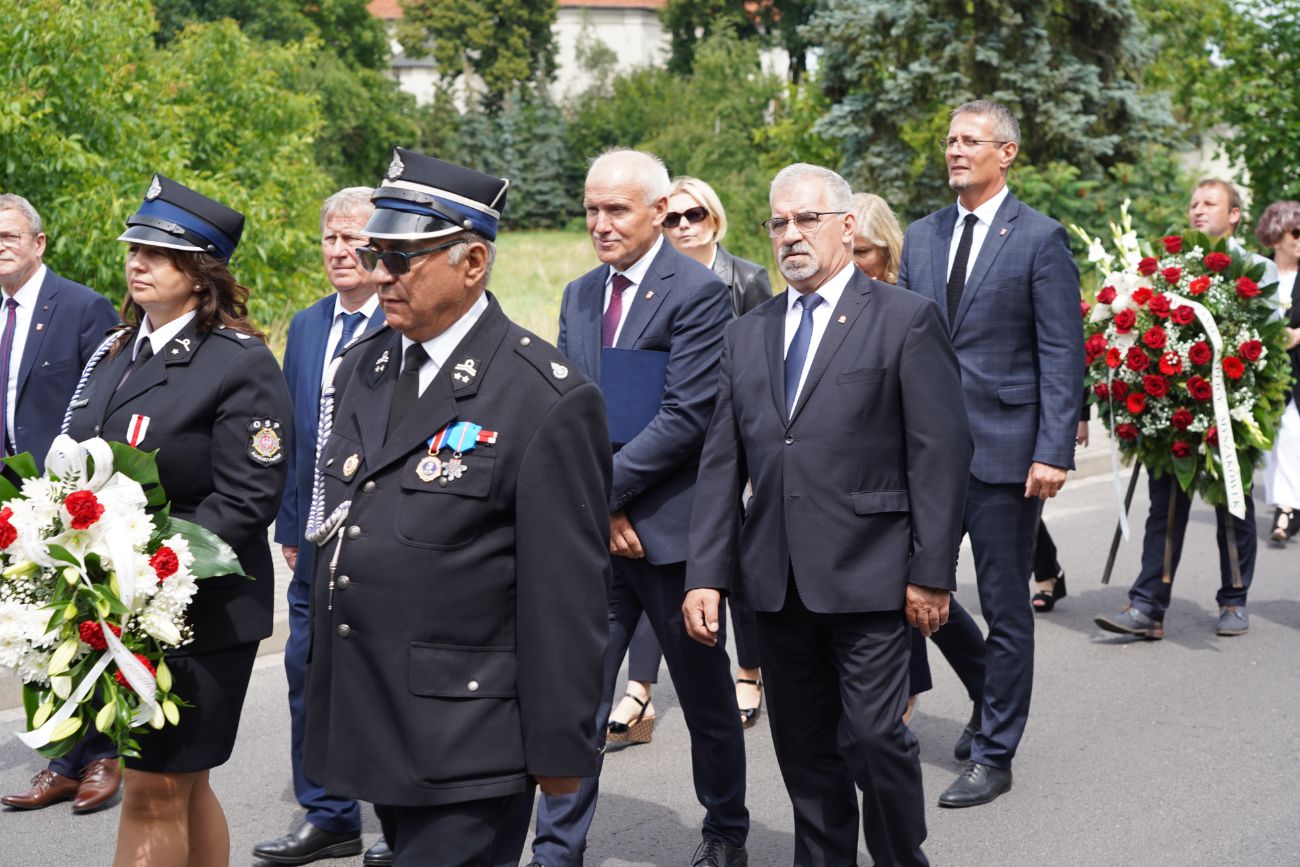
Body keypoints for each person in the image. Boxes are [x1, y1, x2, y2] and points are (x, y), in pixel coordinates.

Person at [300, 148, 610, 867]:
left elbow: (564, 596)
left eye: (404, 257)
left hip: (471, 731)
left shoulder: (544, 396)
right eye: (379, 251)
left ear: (473, 263)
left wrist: (563, 747)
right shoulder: (367, 366)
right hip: (376, 710)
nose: (382, 272)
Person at [684, 162, 971, 867]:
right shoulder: (746, 333)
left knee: (874, 737)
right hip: (775, 583)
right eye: (778, 221)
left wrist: (931, 571)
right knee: (805, 752)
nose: (790, 234)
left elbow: (940, 453)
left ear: (847, 226)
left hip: (872, 573)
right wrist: (704, 574)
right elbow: (723, 462)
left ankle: (903, 856)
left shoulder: (904, 319)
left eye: (807, 219)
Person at [62, 174, 292, 866]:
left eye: (158, 253)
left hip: (197, 606)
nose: (137, 262)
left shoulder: (239, 363)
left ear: (201, 273)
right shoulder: (114, 350)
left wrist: (143, 566)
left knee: (154, 786)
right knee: (180, 785)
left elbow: (248, 497)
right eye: (134, 248)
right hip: (114, 601)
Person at [529, 150, 749, 867]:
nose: (599, 223)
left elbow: (686, 418)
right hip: (598, 536)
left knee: (707, 703)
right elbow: (567, 412)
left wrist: (602, 497)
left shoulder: (697, 293)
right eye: (591, 208)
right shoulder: (579, 294)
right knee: (577, 699)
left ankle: (725, 830)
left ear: (658, 211)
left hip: (674, 539)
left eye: (615, 209)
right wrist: (598, 509)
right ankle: (558, 847)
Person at [897, 100, 1084, 808]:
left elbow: (1061, 351)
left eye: (970, 140)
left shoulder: (1038, 237)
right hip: (925, 453)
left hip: (1008, 456)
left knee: (1007, 606)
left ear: (1006, 153)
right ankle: (987, 691)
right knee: (916, 590)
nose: (954, 150)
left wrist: (1053, 448)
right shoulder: (922, 236)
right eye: (948, 139)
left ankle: (996, 750)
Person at [608, 176, 772, 742]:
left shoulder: (742, 278)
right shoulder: (629, 292)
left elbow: (762, 368)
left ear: (714, 218)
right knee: (651, 585)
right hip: (644, 475)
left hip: (728, 449)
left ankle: (748, 669)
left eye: (694, 215)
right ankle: (640, 689)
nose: (683, 226)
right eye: (673, 217)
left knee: (736, 575)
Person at [253, 188, 389, 866]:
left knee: (383, 678)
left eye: (353, 238)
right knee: (308, 674)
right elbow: (290, 434)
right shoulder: (308, 325)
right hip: (313, 540)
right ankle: (328, 812)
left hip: (383, 542)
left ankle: (398, 816)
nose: (339, 251)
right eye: (330, 239)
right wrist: (286, 521)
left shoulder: (401, 321)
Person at [1095, 179, 1273, 639]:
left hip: (1231, 407)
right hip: (1172, 407)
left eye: (1209, 203)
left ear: (1234, 214)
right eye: (1194, 203)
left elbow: (1266, 337)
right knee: (1165, 510)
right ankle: (1148, 607)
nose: (1198, 211)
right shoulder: (1166, 267)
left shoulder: (1257, 268)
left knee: (1233, 508)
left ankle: (1234, 598)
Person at [0, 193, 121, 814]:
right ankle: (59, 756)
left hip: (72, 503)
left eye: (10, 235)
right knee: (29, 634)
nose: (1, 245)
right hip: (9, 505)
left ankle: (101, 753)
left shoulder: (80, 307)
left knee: (85, 626)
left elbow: (103, 406)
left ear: (39, 243)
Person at [1254, 200, 1300, 545]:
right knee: (1280, 436)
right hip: (1271, 371)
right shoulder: (1258, 273)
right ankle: (1286, 507)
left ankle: (1288, 506)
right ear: (1277, 233)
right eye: (1295, 232)